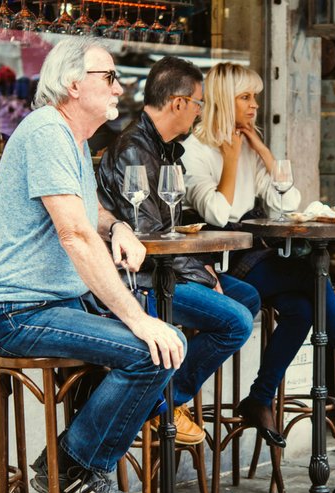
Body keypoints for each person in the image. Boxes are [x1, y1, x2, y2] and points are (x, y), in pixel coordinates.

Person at [0, 38, 186, 493]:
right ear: (73, 84)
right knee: (153, 349)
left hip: (56, 303)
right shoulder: (47, 132)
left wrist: (120, 226)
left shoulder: (71, 137)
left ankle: (86, 457)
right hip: (15, 311)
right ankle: (73, 464)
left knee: (174, 338)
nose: (120, 85)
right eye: (108, 76)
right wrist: (136, 319)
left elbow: (91, 216)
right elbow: (75, 235)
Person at [180, 62, 335, 447]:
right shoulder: (194, 152)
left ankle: (259, 399)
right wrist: (228, 159)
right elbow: (217, 214)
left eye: (255, 97)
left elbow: (288, 201)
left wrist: (259, 149)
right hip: (218, 268)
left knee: (306, 308)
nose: (254, 105)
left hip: (251, 258)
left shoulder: (247, 149)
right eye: (245, 97)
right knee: (313, 275)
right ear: (225, 101)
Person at [96, 56, 260, 446]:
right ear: (178, 103)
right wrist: (202, 274)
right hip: (140, 282)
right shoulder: (135, 149)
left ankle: (164, 391)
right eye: (199, 103)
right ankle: (164, 402)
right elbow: (149, 235)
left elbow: (165, 231)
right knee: (236, 322)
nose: (201, 112)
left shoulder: (164, 148)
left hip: (164, 272)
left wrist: (202, 269)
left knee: (246, 295)